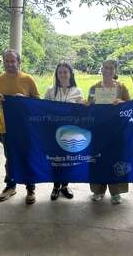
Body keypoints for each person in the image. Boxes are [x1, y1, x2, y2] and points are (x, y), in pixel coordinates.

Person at [0, 49, 40, 205]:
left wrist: (24, 99)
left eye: (13, 61)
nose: (10, 64)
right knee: (10, 159)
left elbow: (37, 101)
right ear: (3, 62)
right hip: (6, 127)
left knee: (26, 157)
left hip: (25, 129)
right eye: (7, 61)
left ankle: (30, 189)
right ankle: (10, 186)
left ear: (19, 62)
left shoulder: (28, 79)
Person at [87, 59, 131, 204]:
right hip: (98, 130)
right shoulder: (94, 87)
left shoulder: (122, 87)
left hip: (116, 131)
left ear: (115, 71)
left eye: (110, 68)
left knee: (115, 159)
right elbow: (88, 108)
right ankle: (98, 191)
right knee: (98, 160)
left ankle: (116, 192)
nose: (107, 70)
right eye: (105, 67)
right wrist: (89, 104)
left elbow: (130, 106)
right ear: (102, 69)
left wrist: (122, 103)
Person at [44, 62, 84, 201]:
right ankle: (55, 187)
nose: (62, 75)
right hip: (54, 131)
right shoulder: (50, 90)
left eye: (65, 72)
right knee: (56, 159)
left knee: (68, 160)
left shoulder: (77, 91)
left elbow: (81, 111)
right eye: (60, 72)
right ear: (57, 74)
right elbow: (43, 108)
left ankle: (65, 186)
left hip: (70, 132)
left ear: (70, 74)